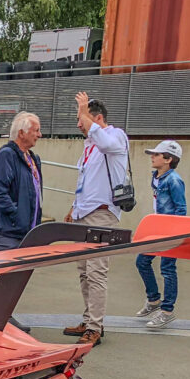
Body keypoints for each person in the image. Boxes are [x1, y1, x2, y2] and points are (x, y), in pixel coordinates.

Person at [62, 94, 130, 347]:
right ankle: (89, 319)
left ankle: (95, 326)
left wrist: (84, 112)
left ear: (97, 118)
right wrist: (74, 208)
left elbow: (107, 144)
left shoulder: (115, 136)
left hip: (102, 214)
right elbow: (85, 181)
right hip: (85, 213)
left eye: (81, 119)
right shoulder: (90, 144)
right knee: (84, 271)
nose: (78, 125)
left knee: (96, 271)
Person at [135, 140, 186, 329]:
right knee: (142, 261)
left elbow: (181, 208)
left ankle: (167, 311)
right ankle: (154, 300)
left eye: (156, 154)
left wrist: (176, 234)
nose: (152, 156)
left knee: (167, 269)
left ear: (168, 159)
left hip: (170, 231)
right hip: (158, 228)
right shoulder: (156, 177)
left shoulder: (174, 180)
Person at [0, 111, 43, 251]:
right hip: (9, 234)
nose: (40, 135)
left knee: (22, 273)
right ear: (22, 133)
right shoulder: (6, 156)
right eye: (36, 130)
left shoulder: (32, 158)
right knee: (12, 273)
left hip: (27, 233)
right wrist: (17, 215)